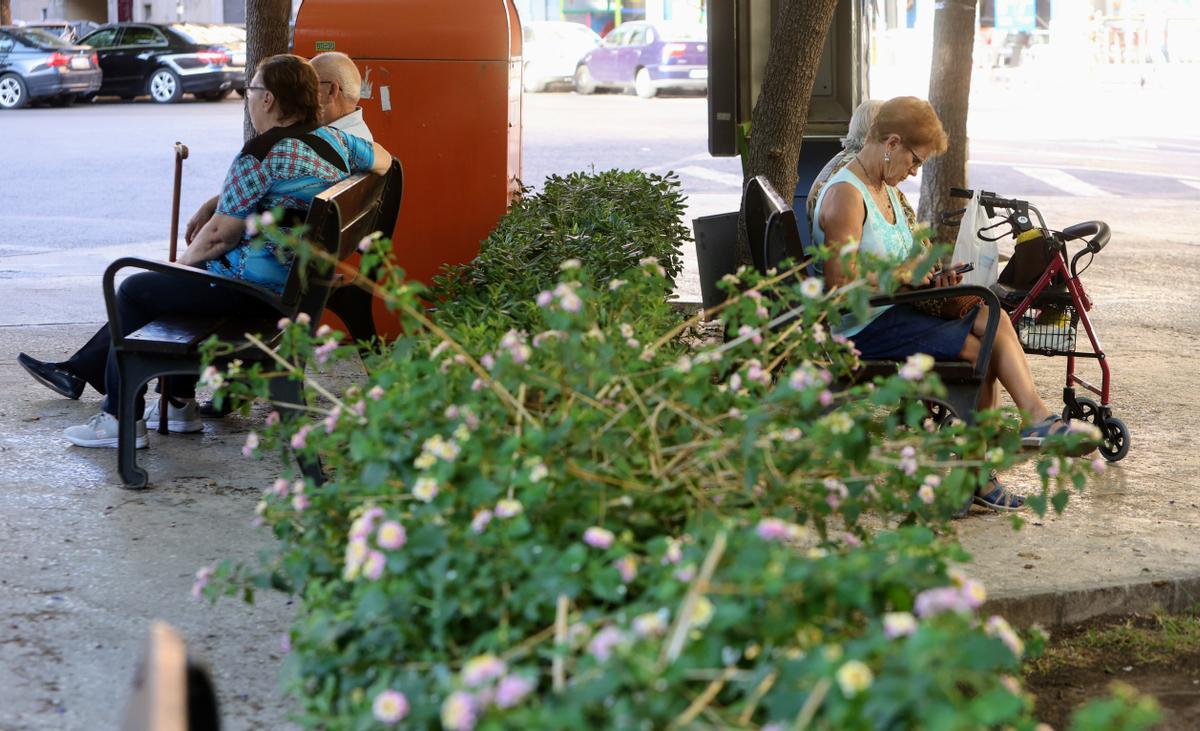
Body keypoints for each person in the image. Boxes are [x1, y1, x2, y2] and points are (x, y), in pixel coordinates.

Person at [17, 51, 377, 425]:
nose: (246, 97)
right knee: (180, 279)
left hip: (256, 294)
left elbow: (220, 236)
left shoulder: (260, 154)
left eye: (250, 89)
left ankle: (119, 418)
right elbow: (382, 159)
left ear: (268, 99)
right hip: (292, 288)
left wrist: (180, 268)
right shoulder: (337, 142)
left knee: (134, 289)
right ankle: (177, 405)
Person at [811, 96, 1077, 511]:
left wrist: (929, 274)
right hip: (865, 327)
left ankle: (1033, 421)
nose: (915, 172)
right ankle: (986, 468)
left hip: (894, 310)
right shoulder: (847, 195)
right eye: (915, 161)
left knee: (991, 315)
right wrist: (904, 277)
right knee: (981, 352)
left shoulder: (882, 187)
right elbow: (839, 285)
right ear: (892, 142)